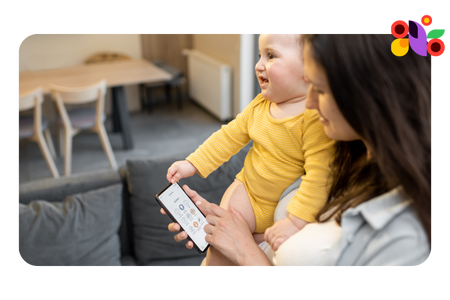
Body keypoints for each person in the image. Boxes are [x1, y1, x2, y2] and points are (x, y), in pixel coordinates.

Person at [163, 31, 434, 268]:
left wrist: (247, 252)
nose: (311, 103)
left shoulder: (401, 233)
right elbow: (228, 137)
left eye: (320, 88)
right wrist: (225, 228)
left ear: (365, 94)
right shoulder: (341, 149)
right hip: (248, 198)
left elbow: (316, 179)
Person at [166, 31, 335, 268]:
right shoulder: (259, 106)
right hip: (246, 193)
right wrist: (192, 163)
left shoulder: (317, 119)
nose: (259, 65)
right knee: (219, 248)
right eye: (259, 55)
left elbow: (320, 176)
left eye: (271, 56)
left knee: (262, 250)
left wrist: (296, 222)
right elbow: (227, 137)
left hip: (282, 210)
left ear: (310, 68)